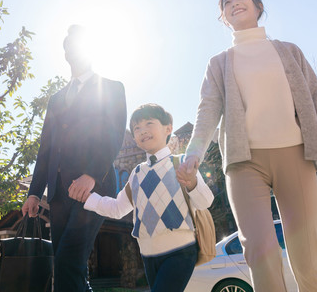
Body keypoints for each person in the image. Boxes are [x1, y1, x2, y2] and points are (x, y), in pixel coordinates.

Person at [179, 0, 317, 292]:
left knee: (307, 252)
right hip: (245, 165)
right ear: (223, 18)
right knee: (260, 251)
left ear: (258, 6)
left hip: (296, 156)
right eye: (227, 2)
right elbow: (208, 109)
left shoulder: (289, 51)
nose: (235, 3)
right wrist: (194, 152)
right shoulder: (218, 63)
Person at [22, 25, 127, 292]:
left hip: (93, 189)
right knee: (68, 266)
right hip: (58, 195)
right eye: (70, 47)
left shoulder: (112, 88)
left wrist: (91, 174)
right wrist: (34, 193)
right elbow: (46, 149)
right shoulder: (56, 99)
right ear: (66, 53)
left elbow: (113, 137)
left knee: (69, 259)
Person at [75, 103, 214, 292]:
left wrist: (192, 183)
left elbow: (206, 202)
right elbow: (118, 208)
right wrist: (88, 198)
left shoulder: (181, 162)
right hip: (148, 255)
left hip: (180, 251)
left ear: (168, 129)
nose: (142, 131)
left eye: (149, 123)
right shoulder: (136, 173)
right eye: (137, 128)